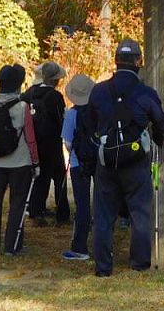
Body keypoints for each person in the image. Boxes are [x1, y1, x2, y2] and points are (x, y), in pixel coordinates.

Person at [83, 39, 164, 278]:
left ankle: (103, 267)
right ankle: (139, 264)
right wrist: (158, 140)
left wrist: (96, 147)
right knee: (140, 213)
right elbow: (160, 121)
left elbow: (88, 124)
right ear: (139, 61)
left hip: (107, 161)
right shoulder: (146, 92)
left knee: (103, 215)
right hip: (136, 161)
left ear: (116, 61)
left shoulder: (99, 91)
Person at [0, 64, 39, 254]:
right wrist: (35, 162)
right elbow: (30, 138)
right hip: (20, 162)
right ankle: (13, 245)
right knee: (18, 203)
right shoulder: (22, 107)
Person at [24, 61, 68, 227]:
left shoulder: (30, 93)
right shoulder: (55, 97)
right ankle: (62, 212)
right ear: (56, 80)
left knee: (39, 177)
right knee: (59, 178)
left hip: (33, 142)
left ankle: (36, 210)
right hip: (52, 142)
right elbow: (60, 119)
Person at [61, 73, 95, 261]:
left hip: (77, 163)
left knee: (82, 205)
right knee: (102, 203)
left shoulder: (71, 114)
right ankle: (104, 245)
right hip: (98, 161)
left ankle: (80, 247)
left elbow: (67, 142)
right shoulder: (99, 111)